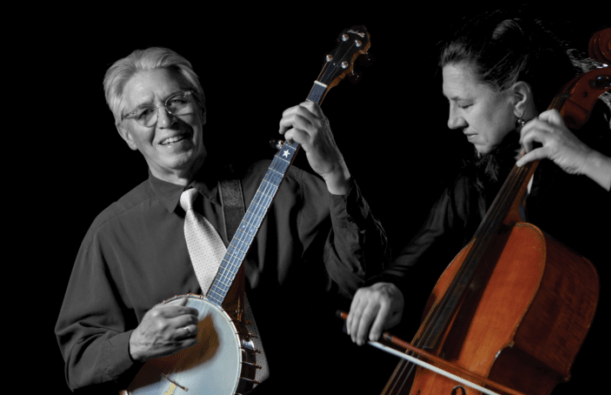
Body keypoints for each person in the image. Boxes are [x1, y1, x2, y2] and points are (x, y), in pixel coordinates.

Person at [344, 11, 611, 394]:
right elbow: (414, 262)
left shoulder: (609, 165)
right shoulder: (474, 186)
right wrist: (390, 290)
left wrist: (589, 162)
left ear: (519, 99)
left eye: (464, 103)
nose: (452, 122)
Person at [54, 47, 387, 394]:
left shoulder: (280, 184)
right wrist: (135, 344)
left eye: (177, 101)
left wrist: (335, 173)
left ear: (201, 108)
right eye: (144, 113)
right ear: (127, 135)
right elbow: (78, 359)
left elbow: (362, 281)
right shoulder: (110, 234)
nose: (166, 121)